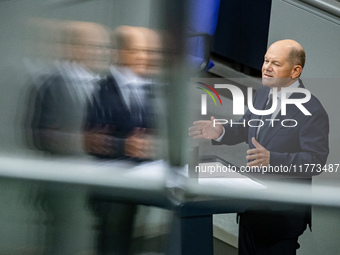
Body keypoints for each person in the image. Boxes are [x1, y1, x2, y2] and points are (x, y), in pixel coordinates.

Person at [189, 39, 329, 254]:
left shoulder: (312, 110)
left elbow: (315, 160)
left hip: (280, 219)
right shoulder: (263, 93)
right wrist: (222, 131)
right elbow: (247, 127)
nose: (267, 68)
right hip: (251, 208)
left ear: (295, 71)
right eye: (265, 61)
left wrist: (273, 159)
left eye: (275, 63)